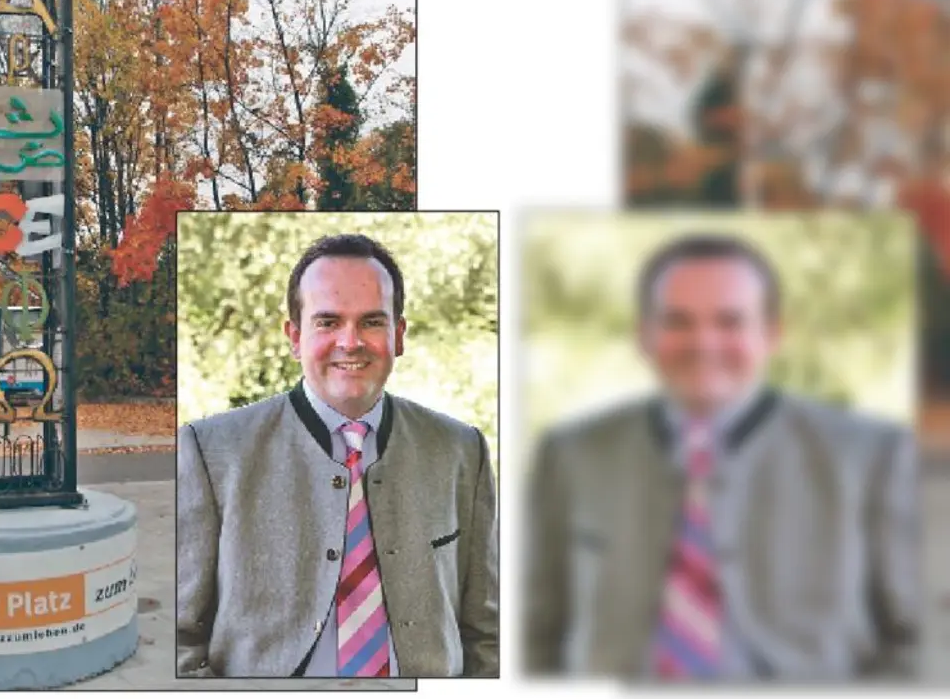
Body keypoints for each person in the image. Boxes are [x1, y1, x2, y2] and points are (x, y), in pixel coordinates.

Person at [524, 233, 918, 681]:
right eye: (678, 322)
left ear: (771, 334)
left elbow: (921, 640)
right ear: (645, 335)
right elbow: (534, 633)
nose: (704, 343)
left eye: (730, 322)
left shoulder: (872, 459)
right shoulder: (571, 456)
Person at [176, 233, 499, 678]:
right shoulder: (211, 452)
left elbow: (487, 633)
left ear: (398, 334)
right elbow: (180, 639)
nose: (351, 342)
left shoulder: (462, 451)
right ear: (294, 336)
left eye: (371, 321)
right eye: (328, 322)